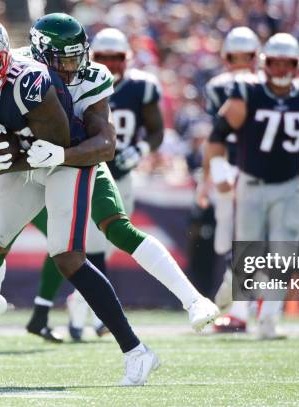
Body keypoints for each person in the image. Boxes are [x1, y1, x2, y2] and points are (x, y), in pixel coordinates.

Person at [0, 19, 218, 346]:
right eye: (62, 60)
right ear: (40, 53)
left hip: (70, 162)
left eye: (76, 57)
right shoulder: (11, 64)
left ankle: (192, 299)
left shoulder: (91, 76)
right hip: (23, 165)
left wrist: (61, 155)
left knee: (112, 230)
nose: (72, 68)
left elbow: (105, 143)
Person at [0, 16, 158, 387]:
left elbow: (66, 144)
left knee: (68, 258)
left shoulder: (33, 81)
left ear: (5, 58)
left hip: (65, 160)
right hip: (29, 157)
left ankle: (137, 352)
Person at [61, 27, 218, 339]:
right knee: (92, 249)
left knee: (107, 245)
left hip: (121, 176)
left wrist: (139, 150)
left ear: (127, 59)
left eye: (116, 58)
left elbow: (156, 131)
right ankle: (96, 314)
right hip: (85, 172)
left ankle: (81, 306)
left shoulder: (141, 87)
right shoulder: (79, 82)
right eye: (103, 57)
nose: (109, 64)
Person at [203, 33, 299, 338]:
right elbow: (218, 135)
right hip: (252, 182)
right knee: (246, 256)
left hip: (290, 184)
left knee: (282, 253)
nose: (280, 69)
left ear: (297, 64)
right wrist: (219, 165)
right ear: (265, 63)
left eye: (286, 63)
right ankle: (230, 303)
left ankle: (269, 320)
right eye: (274, 62)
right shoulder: (247, 90)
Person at [196, 26, 261, 333]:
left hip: (226, 168)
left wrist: (207, 176)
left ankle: (236, 303)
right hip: (257, 169)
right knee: (246, 241)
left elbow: (215, 136)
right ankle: (237, 302)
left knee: (230, 242)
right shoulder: (264, 84)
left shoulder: (218, 85)